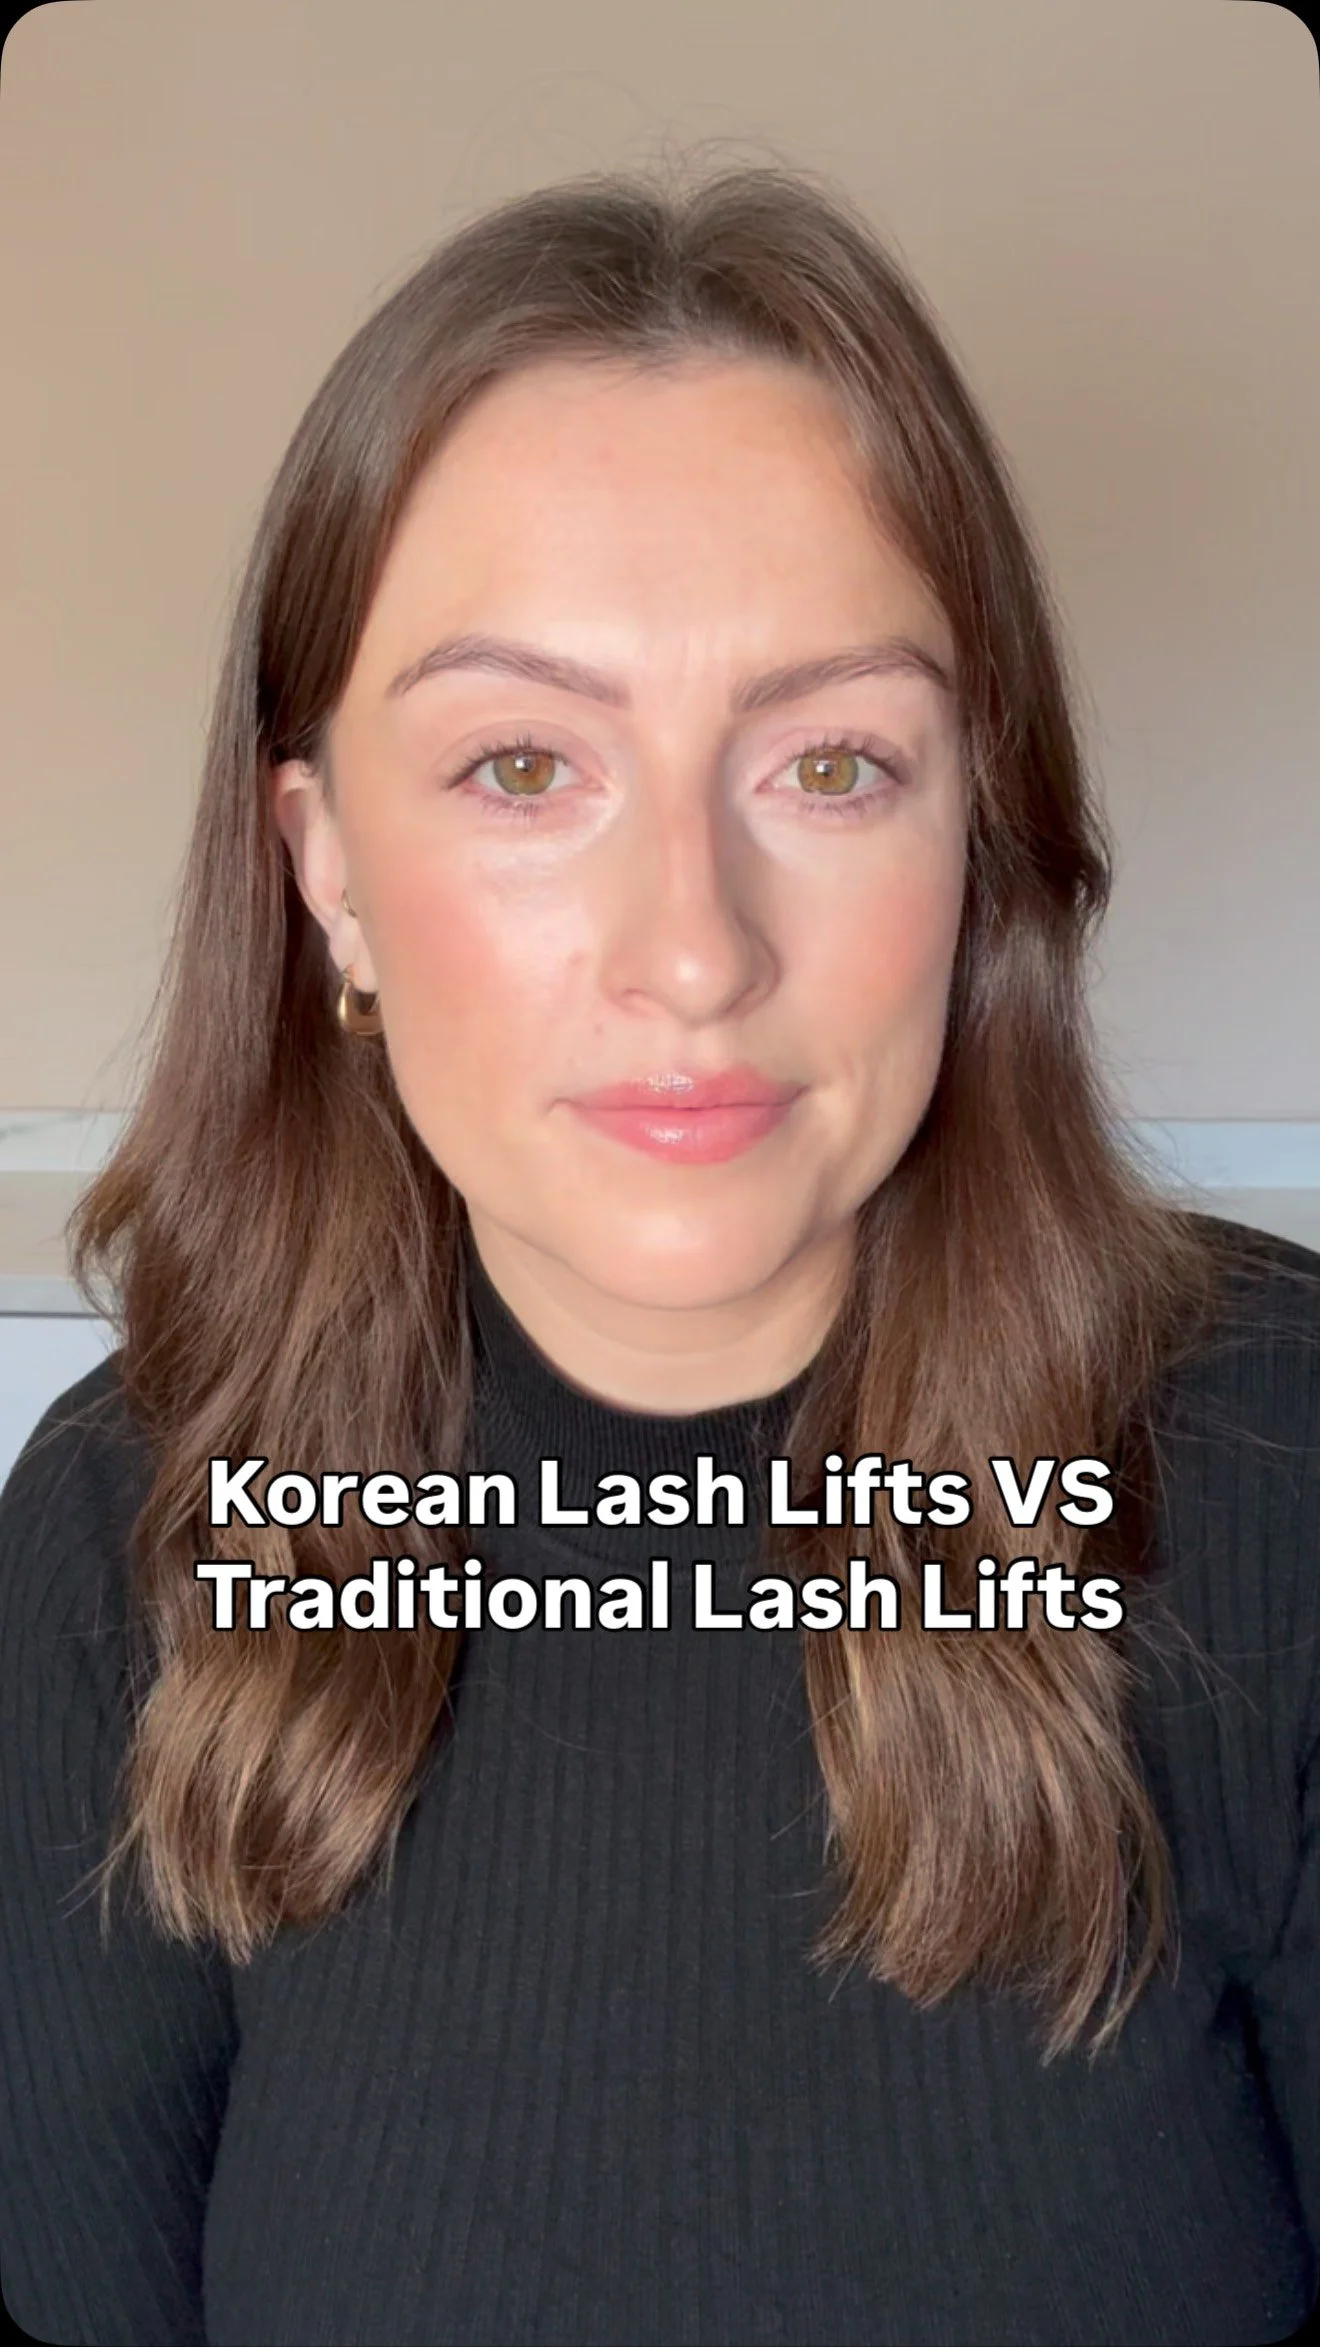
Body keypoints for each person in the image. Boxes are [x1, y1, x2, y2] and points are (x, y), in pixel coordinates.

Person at [0, 161, 1316, 2347]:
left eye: (833, 764)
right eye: (525, 766)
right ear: (325, 871)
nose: (693, 953)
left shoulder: (1282, 1476)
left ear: (977, 833)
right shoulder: (122, 1551)